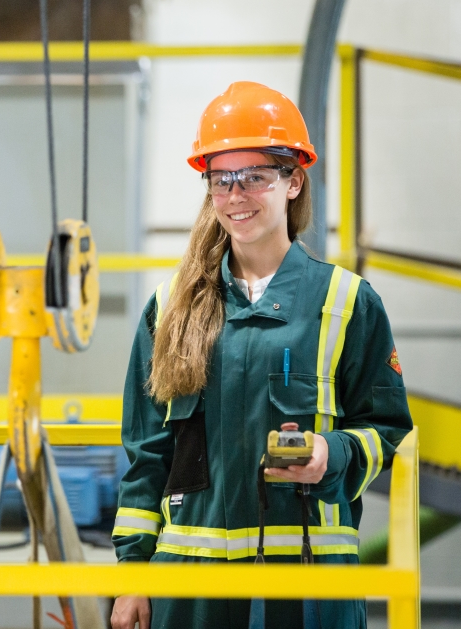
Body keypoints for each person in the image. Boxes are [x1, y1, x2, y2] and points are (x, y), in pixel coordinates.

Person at [109, 81, 413, 629]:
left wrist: (331, 454)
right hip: (189, 583)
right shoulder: (171, 306)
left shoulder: (345, 303)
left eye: (254, 178)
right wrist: (134, 573)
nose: (235, 196)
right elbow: (147, 452)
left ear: (294, 180)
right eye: (221, 180)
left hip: (307, 580)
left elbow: (386, 429)